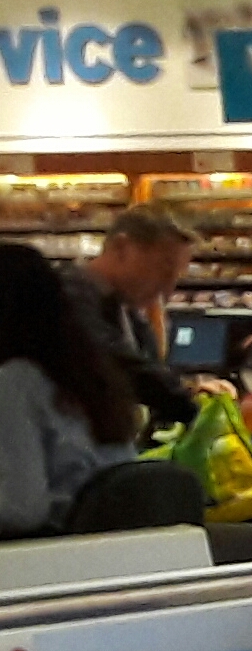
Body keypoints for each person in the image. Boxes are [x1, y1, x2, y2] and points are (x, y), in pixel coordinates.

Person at [0, 241, 206, 537]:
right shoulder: (92, 379)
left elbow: (21, 511)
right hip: (119, 551)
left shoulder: (15, 384)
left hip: (54, 554)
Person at [63, 204, 206, 432]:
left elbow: (147, 367)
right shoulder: (67, 298)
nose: (168, 287)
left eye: (176, 275)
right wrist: (186, 400)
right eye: (163, 269)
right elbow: (113, 361)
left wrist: (190, 387)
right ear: (121, 248)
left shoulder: (126, 310)